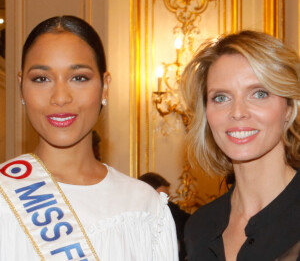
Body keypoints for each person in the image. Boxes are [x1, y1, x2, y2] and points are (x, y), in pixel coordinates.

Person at [0, 16, 178, 260]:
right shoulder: (5, 194)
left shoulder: (143, 207)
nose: (60, 97)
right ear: (21, 87)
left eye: (79, 78)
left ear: (104, 86)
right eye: (41, 79)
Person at [181, 30, 300, 261]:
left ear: (288, 108)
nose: (237, 112)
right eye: (221, 98)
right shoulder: (199, 227)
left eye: (259, 93)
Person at [139, 172, 190, 261]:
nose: (164, 203)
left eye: (167, 199)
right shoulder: (131, 221)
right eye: (160, 198)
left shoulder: (174, 213)